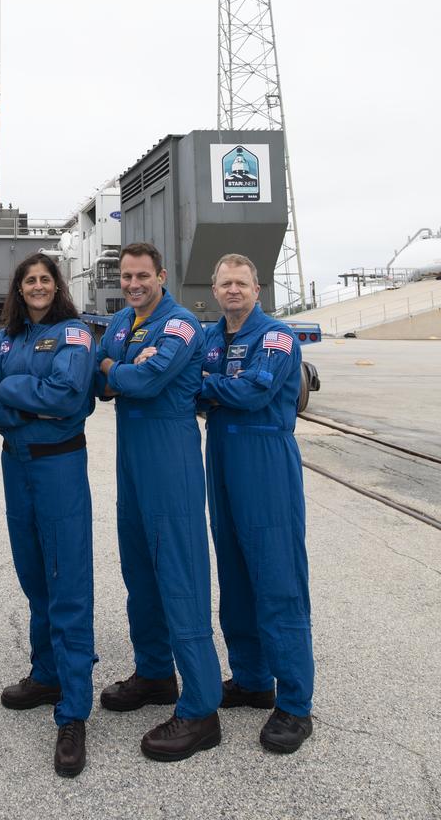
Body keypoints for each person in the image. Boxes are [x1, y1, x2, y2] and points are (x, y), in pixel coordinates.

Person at [96, 242, 222, 762]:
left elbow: (144, 381)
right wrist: (113, 365)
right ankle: (154, 674)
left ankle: (201, 708)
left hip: (170, 459)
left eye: (142, 276)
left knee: (179, 575)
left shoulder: (179, 325)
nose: (133, 284)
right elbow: (102, 386)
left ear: (161, 276)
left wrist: (115, 367)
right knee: (141, 573)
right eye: (126, 276)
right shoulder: (122, 323)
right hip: (133, 459)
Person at [0, 253, 97, 778]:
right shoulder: (6, 341)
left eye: (46, 279)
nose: (39, 286)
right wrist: (24, 402)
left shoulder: (75, 335)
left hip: (58, 467)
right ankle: (46, 672)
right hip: (16, 466)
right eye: (30, 280)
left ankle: (73, 711)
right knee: (33, 576)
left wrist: (9, 392)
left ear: (57, 286)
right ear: (19, 289)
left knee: (67, 581)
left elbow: (68, 396)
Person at [202, 254, 314, 754]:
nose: (233, 290)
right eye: (225, 283)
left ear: (258, 288)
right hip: (222, 454)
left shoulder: (276, 338)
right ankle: (251, 679)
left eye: (241, 283)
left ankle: (294, 702)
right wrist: (211, 391)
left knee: (277, 577)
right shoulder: (211, 337)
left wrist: (206, 388)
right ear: (214, 289)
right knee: (236, 572)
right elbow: (205, 396)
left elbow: (252, 391)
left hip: (265, 456)